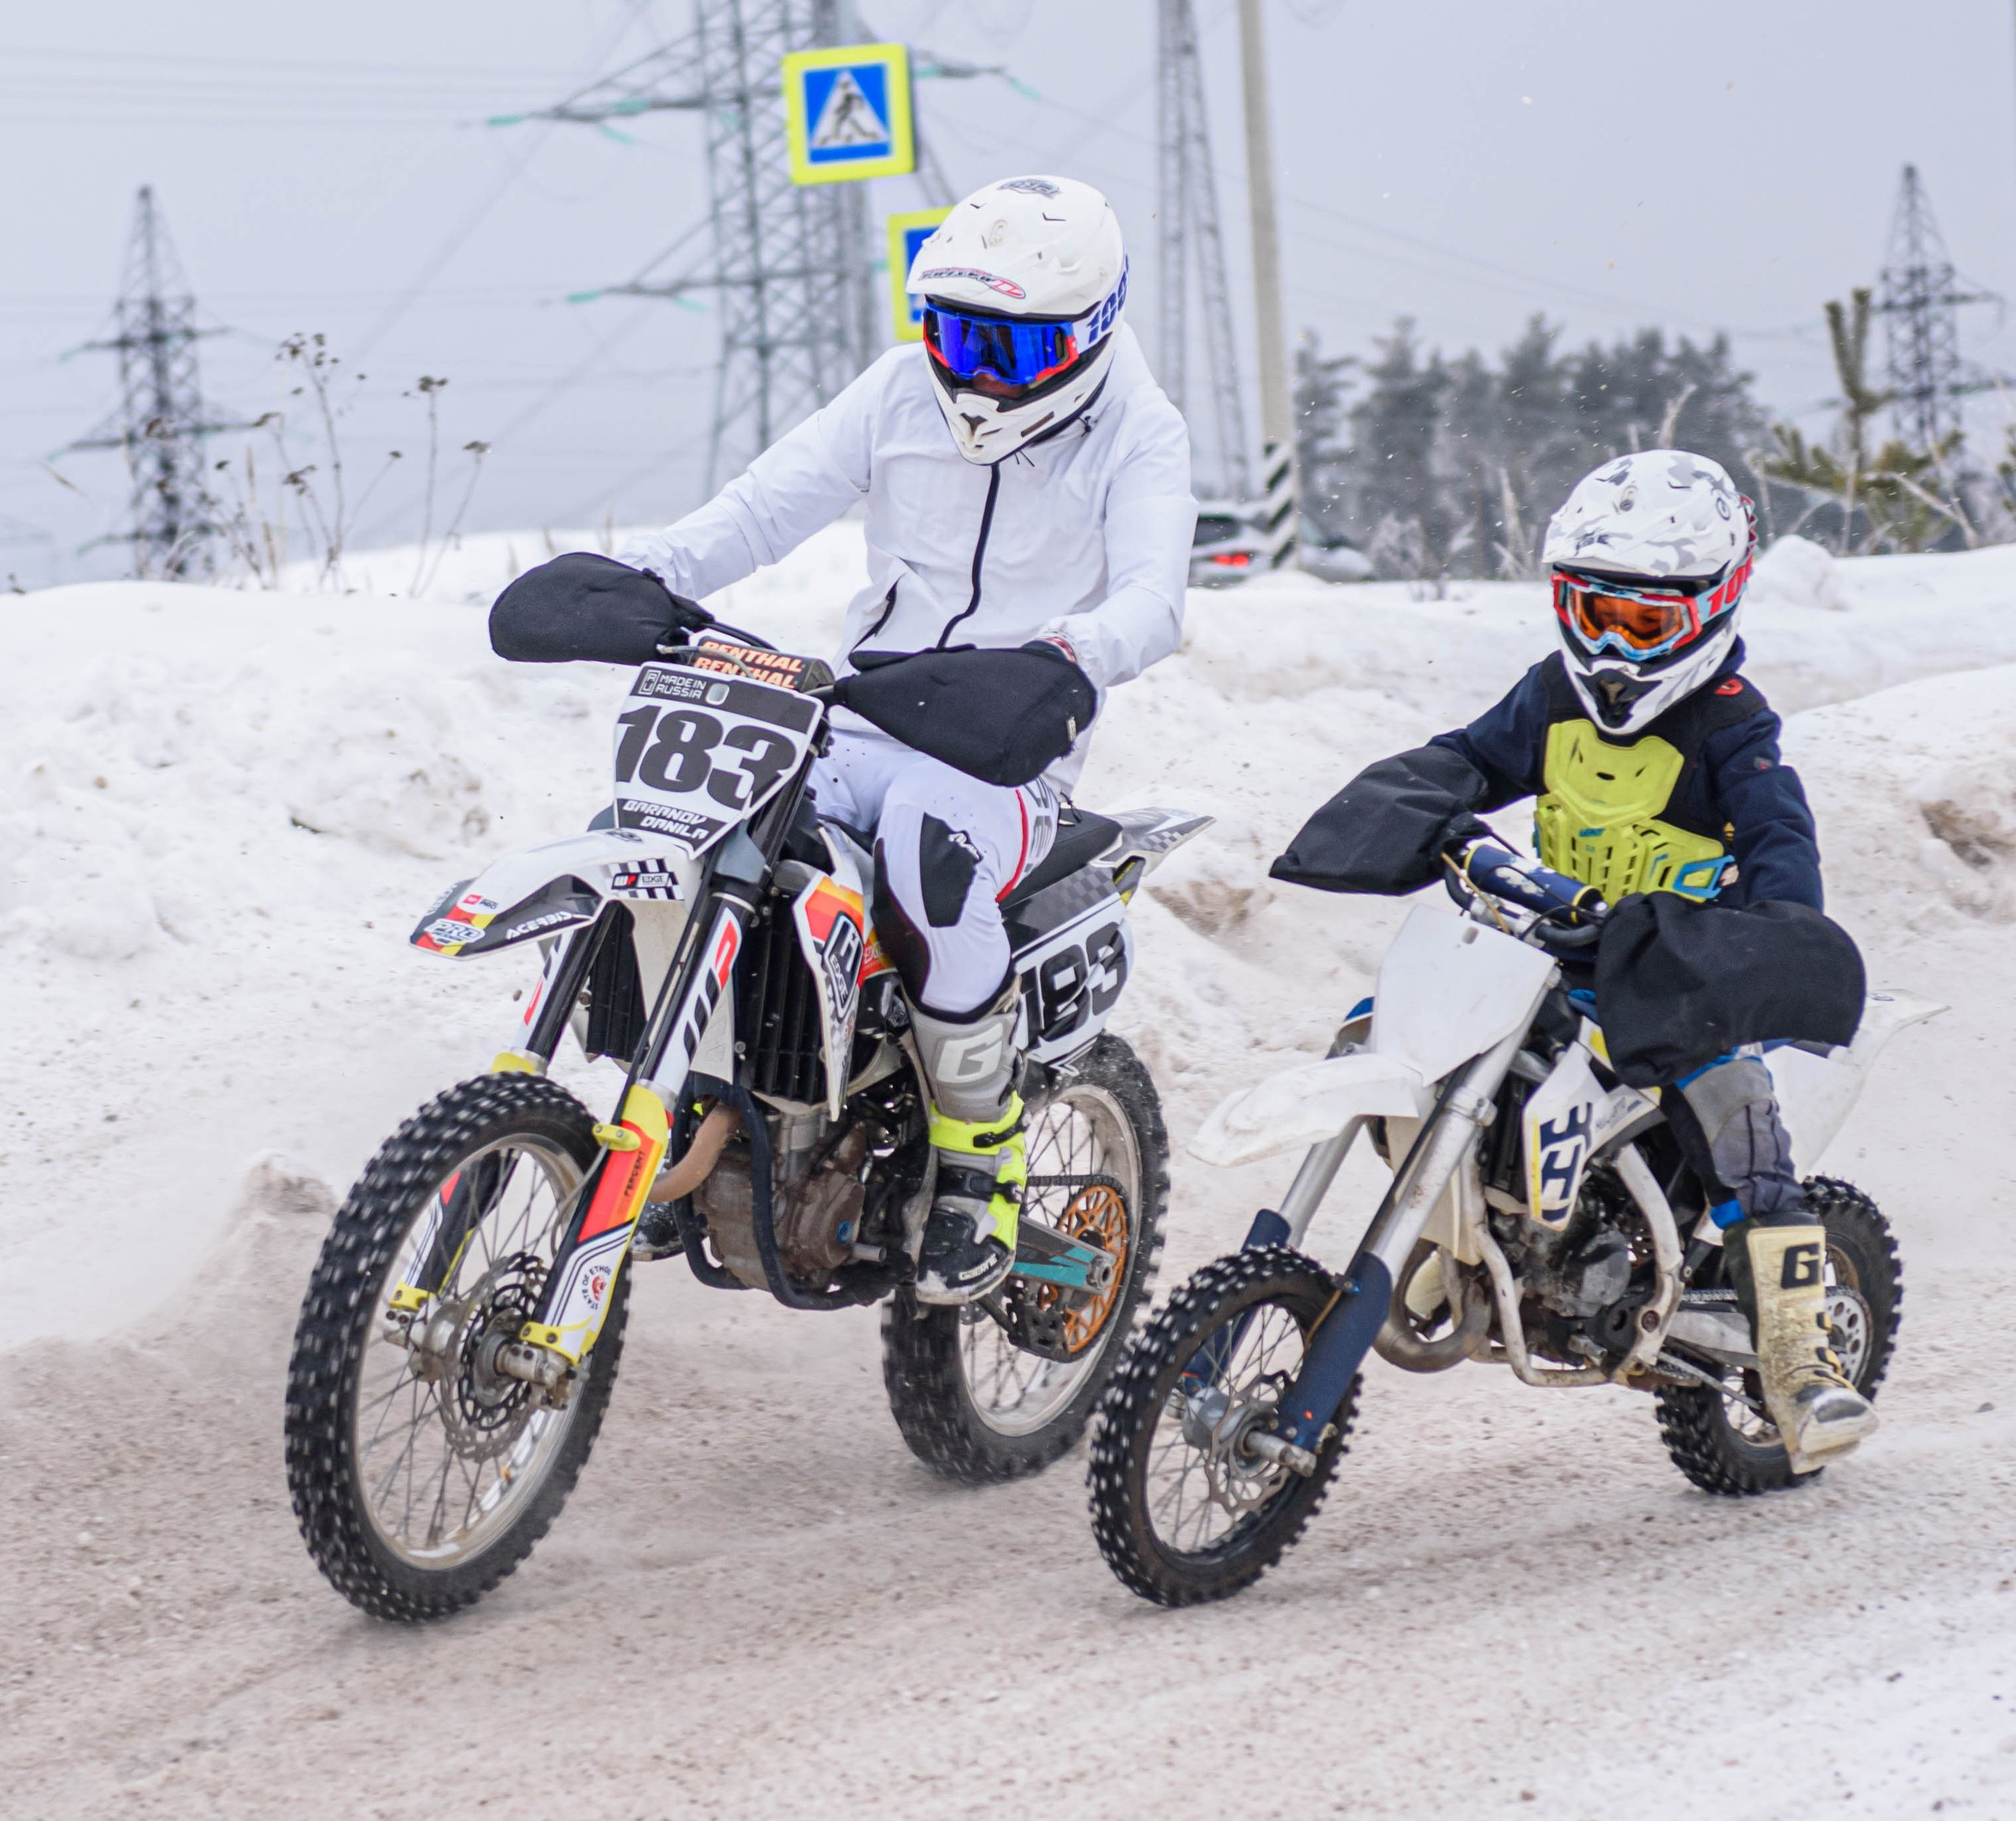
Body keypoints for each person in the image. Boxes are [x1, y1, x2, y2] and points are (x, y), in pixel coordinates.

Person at [624, 175, 1194, 1303]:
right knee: (708, 819)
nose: (975, 368)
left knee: (932, 848)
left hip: (1010, 744)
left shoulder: (1141, 430)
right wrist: (643, 575)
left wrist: (1067, 656)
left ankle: (980, 1169)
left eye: (1012, 348)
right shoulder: (897, 390)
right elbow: (758, 510)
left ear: (1088, 333)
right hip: (872, 708)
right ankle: (686, 1097)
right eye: (953, 330)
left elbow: (1155, 600)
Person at [1279, 450, 1873, 1468]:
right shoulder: (1552, 695)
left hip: (1678, 985)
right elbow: (1470, 756)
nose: (1610, 644)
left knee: (1740, 1122)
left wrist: (1761, 930)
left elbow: (1786, 865)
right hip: (1545, 959)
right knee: (1383, 1030)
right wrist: (1429, 804)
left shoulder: (1734, 731)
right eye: (1591, 611)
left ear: (1713, 607)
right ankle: (1470, 1231)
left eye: (1645, 625)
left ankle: (1800, 1358)